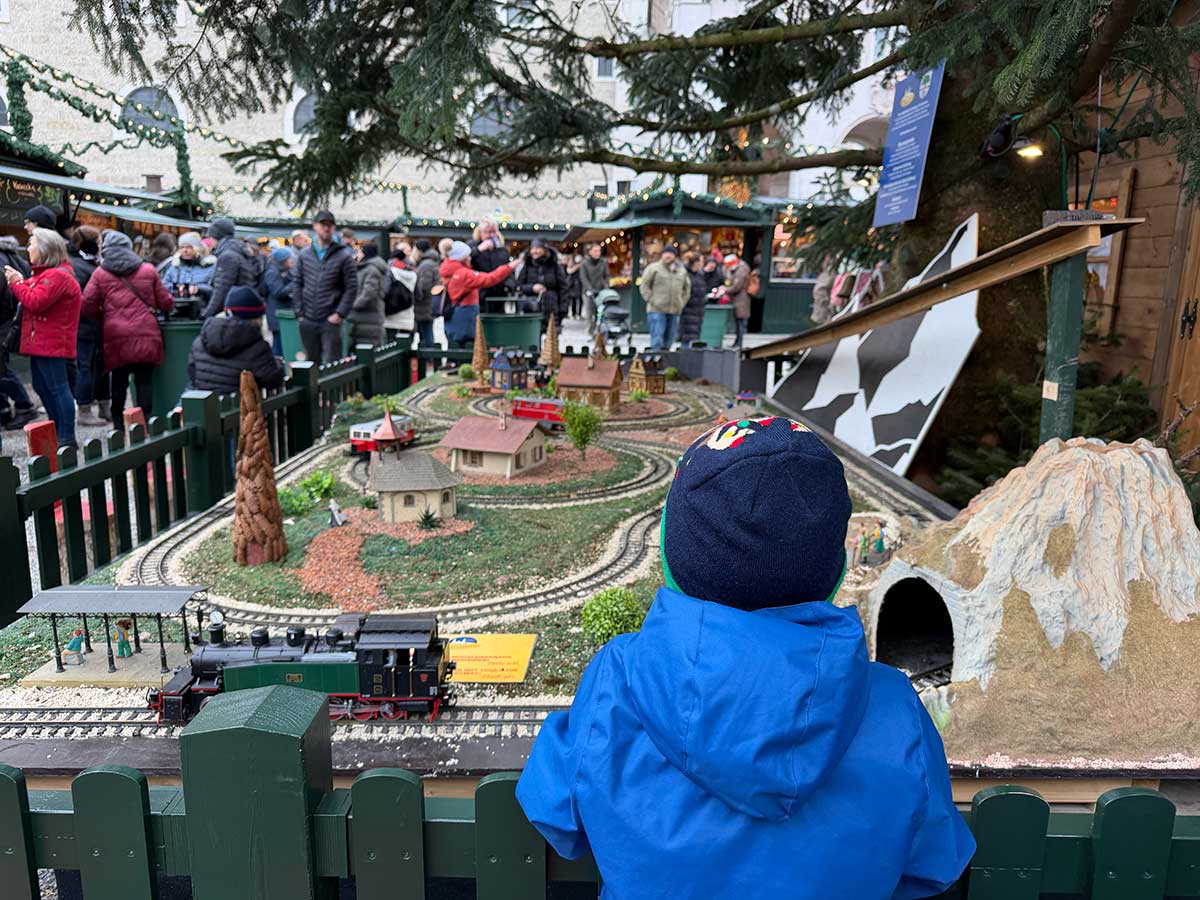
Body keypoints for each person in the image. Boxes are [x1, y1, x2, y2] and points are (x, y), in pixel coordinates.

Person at [517, 417, 974, 899]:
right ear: (835, 571)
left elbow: (555, 814)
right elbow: (931, 864)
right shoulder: (895, 706)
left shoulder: (618, 679)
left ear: (673, 558)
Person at [81, 230, 174, 423]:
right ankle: (146, 424)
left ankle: (118, 425)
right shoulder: (148, 270)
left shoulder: (100, 273)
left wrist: (105, 316)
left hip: (116, 335)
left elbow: (87, 306)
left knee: (119, 383)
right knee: (144, 383)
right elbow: (166, 302)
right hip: (146, 333)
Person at [6, 228, 81, 449]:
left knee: (57, 388)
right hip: (43, 344)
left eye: (32, 243)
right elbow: (35, 293)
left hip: (52, 344)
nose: (28, 248)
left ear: (45, 248)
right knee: (43, 386)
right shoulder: (49, 274)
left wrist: (16, 283)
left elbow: (35, 301)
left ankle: (66, 437)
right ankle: (58, 431)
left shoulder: (57, 275)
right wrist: (21, 281)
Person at [187, 286, 285, 394]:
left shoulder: (199, 342)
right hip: (240, 408)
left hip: (205, 407)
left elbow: (193, 376)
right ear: (256, 319)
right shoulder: (258, 346)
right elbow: (272, 380)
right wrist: (279, 365)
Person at [293, 210, 356, 364]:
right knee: (311, 363)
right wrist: (300, 312)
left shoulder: (343, 256)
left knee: (331, 364)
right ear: (315, 226)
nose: (326, 228)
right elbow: (297, 283)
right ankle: (314, 390)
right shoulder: (304, 255)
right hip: (308, 318)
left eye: (330, 225)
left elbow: (352, 287)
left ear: (334, 228)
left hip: (330, 319)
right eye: (323, 224)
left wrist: (339, 314)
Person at [66, 226, 108, 427]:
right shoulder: (78, 266)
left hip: (94, 325)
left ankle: (103, 406)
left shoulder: (90, 264)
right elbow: (77, 300)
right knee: (85, 366)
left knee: (99, 366)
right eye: (98, 242)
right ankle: (84, 409)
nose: (101, 246)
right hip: (84, 326)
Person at [439, 240, 513, 348]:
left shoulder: (450, 269)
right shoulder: (464, 274)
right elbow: (489, 279)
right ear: (461, 258)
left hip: (454, 313)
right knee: (466, 345)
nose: (470, 258)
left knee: (455, 345)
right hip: (465, 314)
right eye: (468, 256)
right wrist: (509, 267)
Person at [0, 236, 37, 432]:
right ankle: (6, 409)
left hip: (4, 321)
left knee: (2, 371)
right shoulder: (15, 257)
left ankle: (23, 405)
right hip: (11, 320)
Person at [201, 218, 258, 318]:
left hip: (234, 312)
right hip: (244, 309)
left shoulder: (228, 256)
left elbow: (222, 289)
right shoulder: (237, 251)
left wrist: (206, 314)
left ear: (216, 236)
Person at [640, 243, 689, 350]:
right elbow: (644, 286)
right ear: (662, 255)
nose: (668, 256)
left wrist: (681, 303)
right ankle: (656, 362)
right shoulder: (653, 268)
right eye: (666, 253)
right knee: (657, 339)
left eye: (671, 254)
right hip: (657, 310)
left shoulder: (681, 271)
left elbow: (686, 289)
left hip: (675, 310)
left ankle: (666, 362)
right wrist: (651, 300)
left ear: (675, 256)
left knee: (670, 339)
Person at [515, 238, 565, 334]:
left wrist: (563, 309)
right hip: (531, 308)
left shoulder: (554, 266)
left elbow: (563, 289)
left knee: (551, 342)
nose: (535, 251)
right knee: (532, 339)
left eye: (538, 248)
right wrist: (532, 288)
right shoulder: (527, 266)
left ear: (545, 250)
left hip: (552, 309)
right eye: (533, 248)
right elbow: (518, 286)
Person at [160, 232, 216, 316]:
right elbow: (163, 287)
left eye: (189, 247)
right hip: (174, 314)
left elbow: (215, 291)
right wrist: (177, 288)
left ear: (197, 248)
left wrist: (198, 289)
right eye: (182, 247)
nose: (185, 250)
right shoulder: (174, 267)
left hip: (200, 314)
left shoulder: (209, 267)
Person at [350, 242, 388, 348]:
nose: (357, 254)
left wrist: (353, 306)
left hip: (369, 317)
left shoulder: (372, 270)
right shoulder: (364, 268)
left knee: (368, 349)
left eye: (360, 251)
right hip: (364, 318)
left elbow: (369, 293)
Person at [469, 219, 513, 305]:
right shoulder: (472, 246)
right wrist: (478, 250)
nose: (491, 235)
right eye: (487, 232)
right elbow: (464, 262)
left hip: (500, 295)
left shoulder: (503, 250)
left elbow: (509, 270)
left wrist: (509, 285)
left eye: (493, 232)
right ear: (480, 233)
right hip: (479, 295)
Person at [262, 247, 294, 355]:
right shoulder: (272, 272)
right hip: (277, 315)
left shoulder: (285, 271)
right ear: (283, 260)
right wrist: (294, 284)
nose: (291, 261)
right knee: (278, 345)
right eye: (289, 258)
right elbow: (278, 292)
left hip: (283, 314)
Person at [412, 238, 441, 349]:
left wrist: (416, 297)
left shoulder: (426, 265)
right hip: (428, 305)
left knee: (426, 333)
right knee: (427, 332)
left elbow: (424, 286)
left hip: (424, 306)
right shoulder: (431, 262)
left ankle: (429, 359)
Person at [678, 251, 708, 348]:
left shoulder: (699, 275)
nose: (703, 264)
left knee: (695, 339)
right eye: (702, 261)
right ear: (696, 262)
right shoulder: (684, 274)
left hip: (698, 311)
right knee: (686, 339)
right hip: (687, 311)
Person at [579, 243, 609, 336]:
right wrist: (589, 288)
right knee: (589, 313)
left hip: (600, 291)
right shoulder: (585, 263)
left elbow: (606, 275)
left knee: (599, 312)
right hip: (588, 292)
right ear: (590, 252)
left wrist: (606, 286)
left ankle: (598, 331)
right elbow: (583, 277)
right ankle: (590, 331)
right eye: (595, 251)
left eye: (599, 251)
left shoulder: (603, 262)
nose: (597, 253)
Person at [725, 253, 752, 348]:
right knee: (738, 322)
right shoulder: (738, 269)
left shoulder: (741, 270)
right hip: (739, 299)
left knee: (740, 322)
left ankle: (739, 343)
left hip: (741, 300)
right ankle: (737, 342)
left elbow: (737, 286)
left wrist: (725, 289)